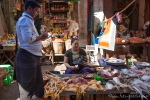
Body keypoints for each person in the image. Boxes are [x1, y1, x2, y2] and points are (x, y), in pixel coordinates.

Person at [15, 1, 48, 100]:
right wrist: (41, 37)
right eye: (36, 10)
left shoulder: (28, 20)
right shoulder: (25, 20)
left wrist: (40, 38)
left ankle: (36, 97)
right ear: (29, 8)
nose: (37, 13)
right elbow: (28, 38)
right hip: (27, 55)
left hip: (32, 55)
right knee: (27, 85)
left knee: (37, 82)